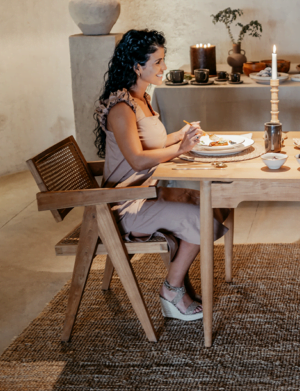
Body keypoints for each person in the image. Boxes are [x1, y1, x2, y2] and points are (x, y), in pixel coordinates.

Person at [95, 29, 226, 322]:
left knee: (209, 203)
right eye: (157, 61)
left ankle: (176, 282)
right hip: (124, 204)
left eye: (162, 60)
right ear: (136, 65)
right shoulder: (121, 107)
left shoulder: (141, 99)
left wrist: (180, 135)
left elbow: (150, 143)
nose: (164, 67)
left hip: (146, 192)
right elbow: (139, 159)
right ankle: (172, 290)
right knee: (202, 218)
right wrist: (181, 150)